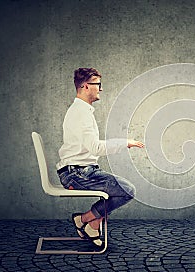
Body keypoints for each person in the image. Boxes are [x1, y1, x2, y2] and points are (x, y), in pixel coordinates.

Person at [56, 68, 144, 248]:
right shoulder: (81, 113)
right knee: (127, 191)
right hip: (76, 174)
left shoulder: (82, 111)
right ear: (86, 86)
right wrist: (124, 142)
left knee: (120, 190)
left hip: (84, 170)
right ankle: (89, 222)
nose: (101, 89)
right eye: (98, 84)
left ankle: (85, 221)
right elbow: (95, 148)